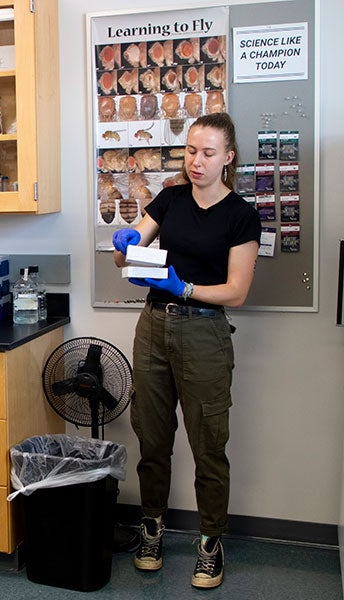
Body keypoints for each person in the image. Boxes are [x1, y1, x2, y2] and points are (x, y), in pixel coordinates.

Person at [112, 112, 261, 590]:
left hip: (204, 334)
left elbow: (236, 291)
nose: (197, 162)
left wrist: (186, 286)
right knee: (152, 438)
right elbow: (127, 254)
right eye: (191, 151)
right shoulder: (171, 198)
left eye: (208, 153)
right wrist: (125, 242)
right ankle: (152, 528)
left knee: (207, 445)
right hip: (153, 328)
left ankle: (210, 541)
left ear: (228, 158)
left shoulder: (241, 215)